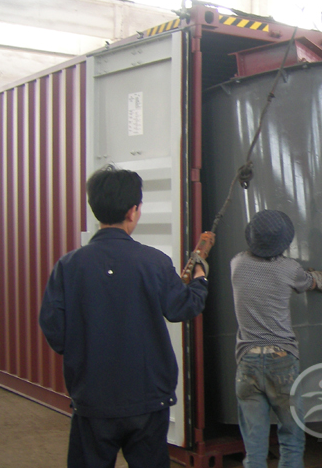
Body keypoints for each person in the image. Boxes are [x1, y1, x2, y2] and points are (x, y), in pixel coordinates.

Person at [39, 165, 209, 468]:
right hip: (148, 399)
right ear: (133, 211)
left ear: (95, 208)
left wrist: (83, 348)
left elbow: (54, 330)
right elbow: (181, 308)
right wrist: (199, 280)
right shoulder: (155, 262)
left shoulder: (68, 266)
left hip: (92, 400)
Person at [231, 210, 322, 468]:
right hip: (281, 361)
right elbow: (309, 282)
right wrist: (316, 277)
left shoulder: (237, 264)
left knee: (254, 448)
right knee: (291, 438)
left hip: (247, 364)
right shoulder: (289, 269)